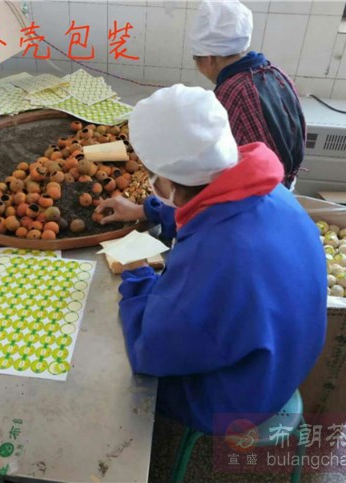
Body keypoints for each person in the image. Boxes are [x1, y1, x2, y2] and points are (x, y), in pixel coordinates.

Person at [118, 84, 326, 434]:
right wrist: (150, 210)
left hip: (240, 397)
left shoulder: (214, 256)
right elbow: (211, 210)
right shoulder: (272, 193)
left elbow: (151, 350)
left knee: (118, 361)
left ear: (165, 179)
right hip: (286, 360)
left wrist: (137, 281)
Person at [96, 0, 306, 242]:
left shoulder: (232, 94)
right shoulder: (274, 73)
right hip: (276, 198)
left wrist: (151, 213)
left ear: (208, 58)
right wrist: (145, 210)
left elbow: (205, 185)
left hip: (248, 212)